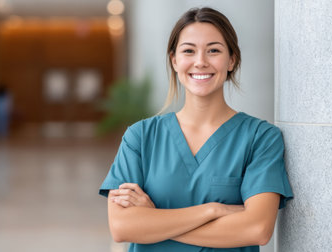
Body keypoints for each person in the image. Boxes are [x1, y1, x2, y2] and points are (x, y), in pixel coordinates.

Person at [99, 7, 293, 251]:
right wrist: (213, 210)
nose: (200, 62)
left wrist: (155, 219)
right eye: (189, 51)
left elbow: (257, 229)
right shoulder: (140, 137)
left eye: (213, 50)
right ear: (174, 60)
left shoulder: (260, 138)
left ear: (232, 59)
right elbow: (122, 227)